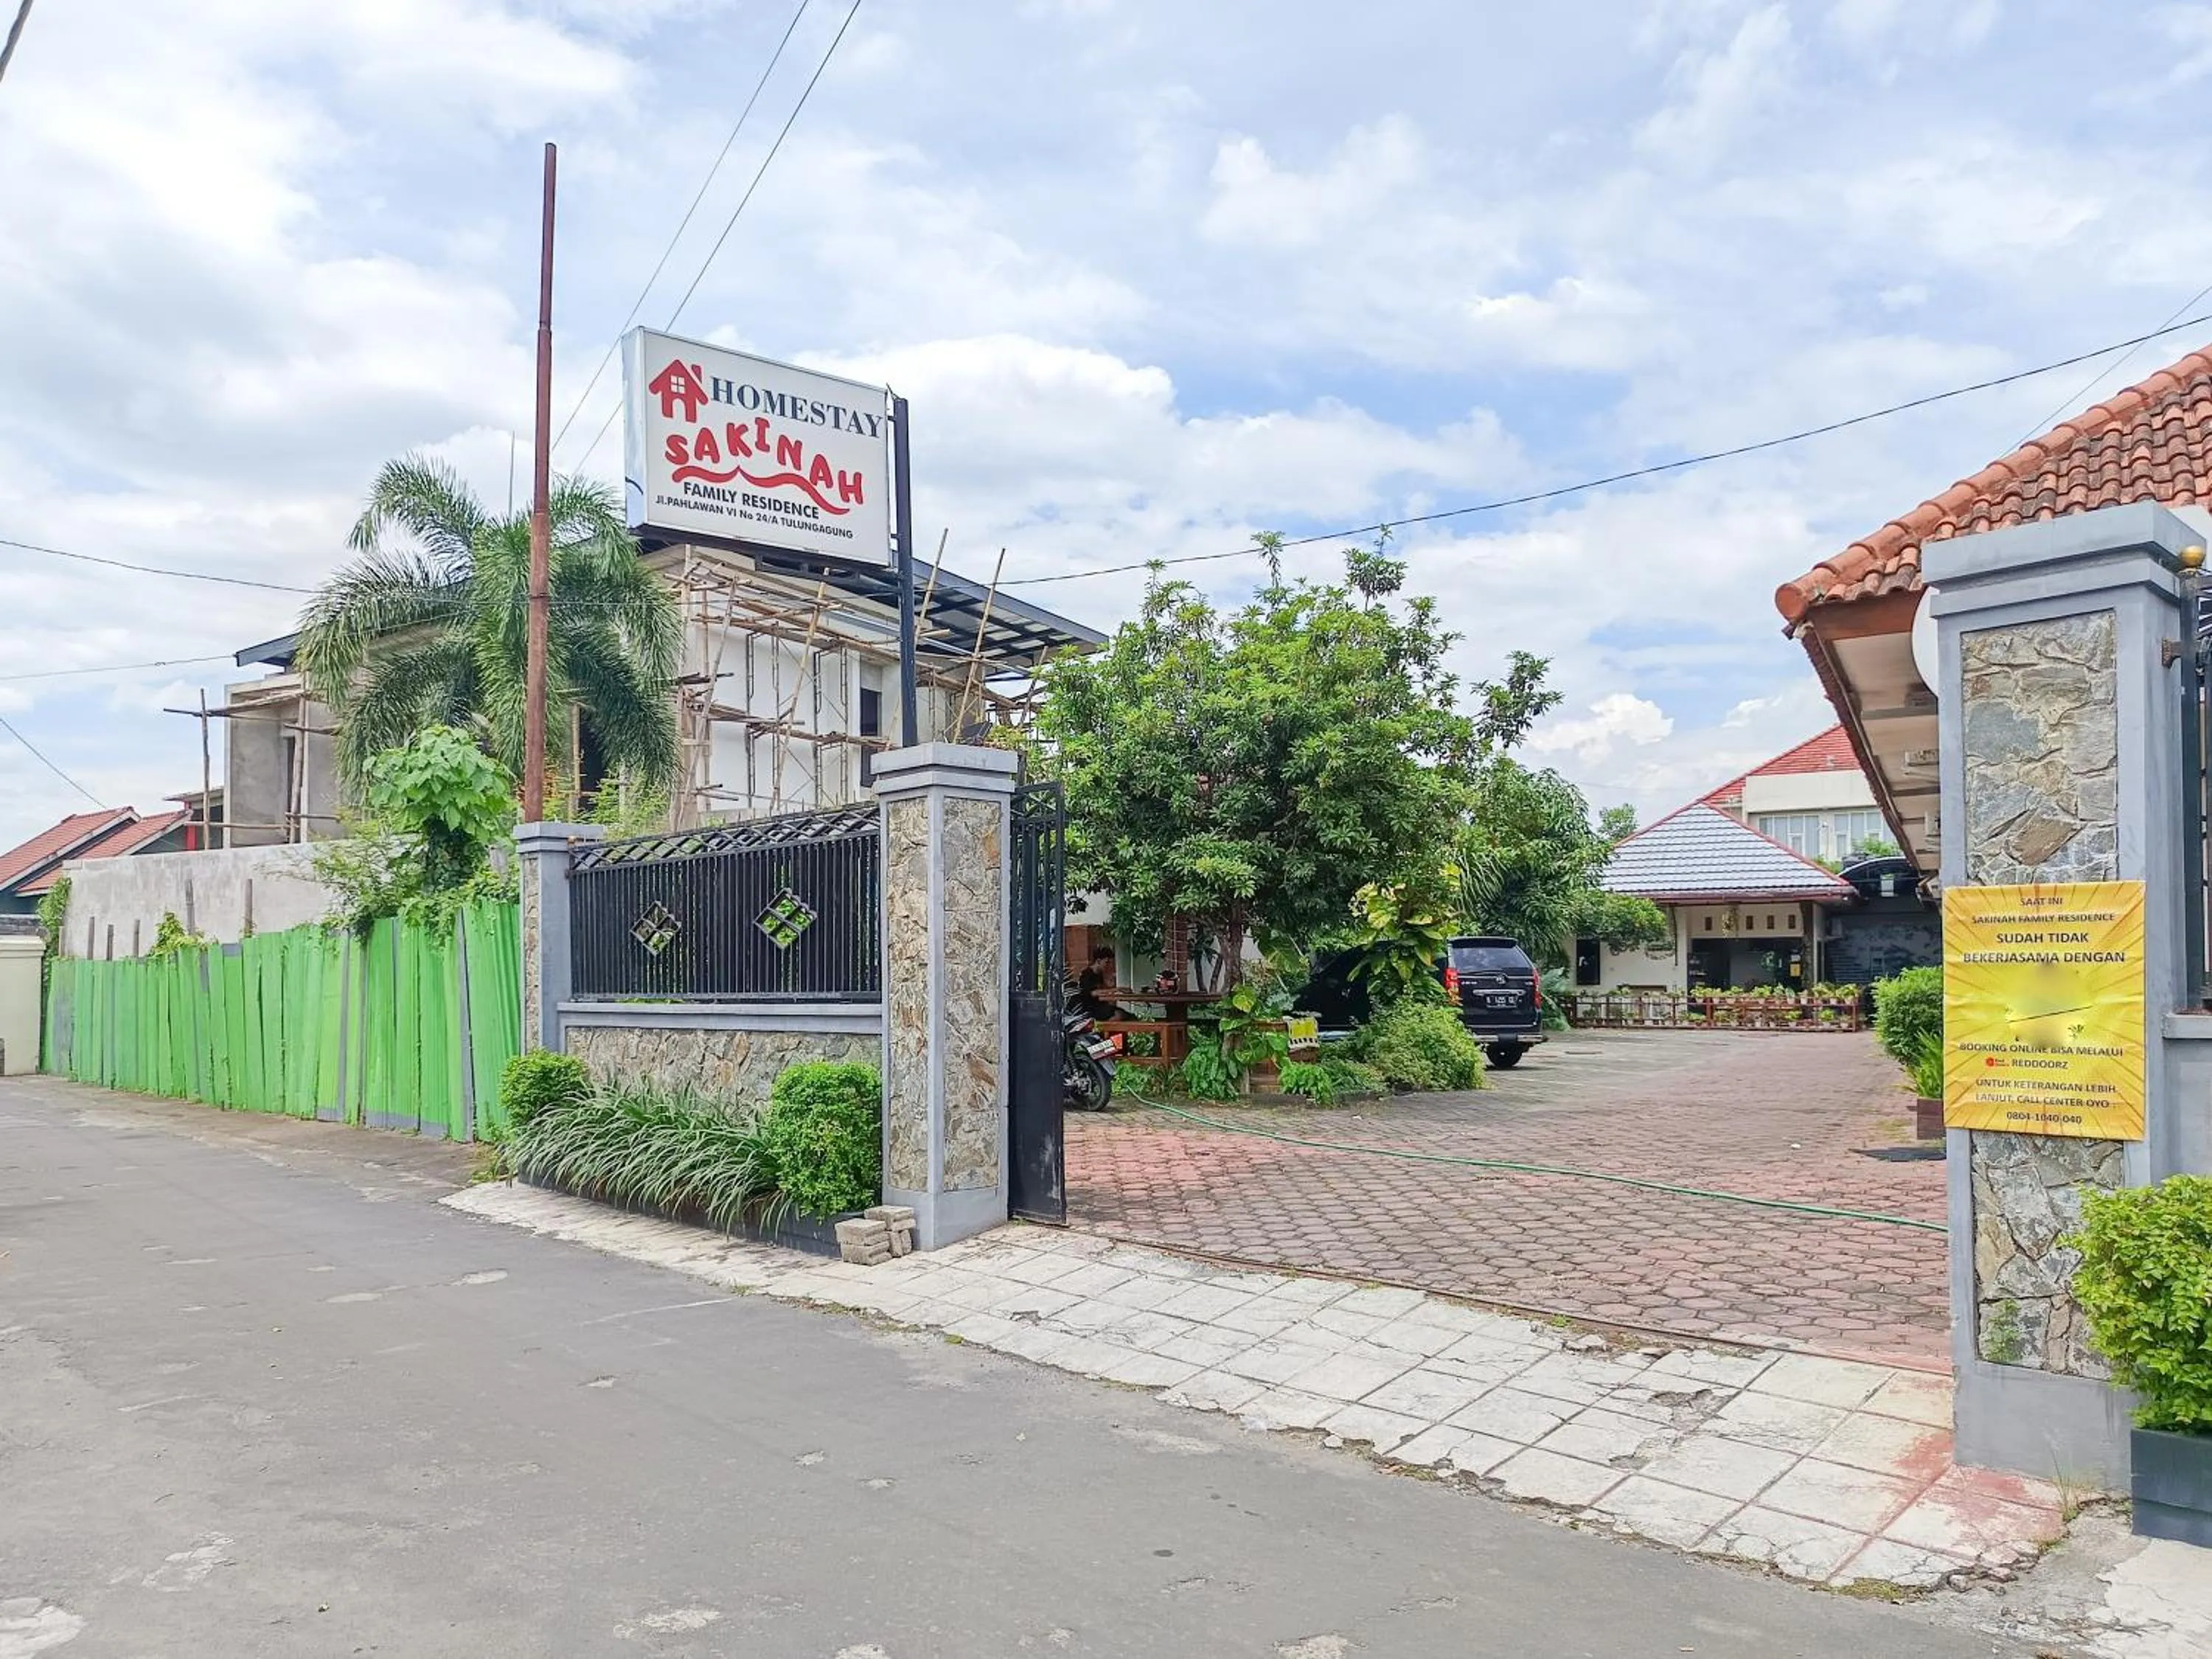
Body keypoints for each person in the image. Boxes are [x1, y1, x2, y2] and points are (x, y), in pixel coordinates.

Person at [1074, 946, 1121, 1022]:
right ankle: (1101, 1031)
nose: (1109, 966)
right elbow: (1093, 993)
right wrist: (1116, 989)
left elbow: (1104, 990)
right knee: (1118, 1015)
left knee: (1129, 1016)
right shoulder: (1087, 974)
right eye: (1107, 962)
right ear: (1098, 961)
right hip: (1089, 1009)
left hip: (1100, 1006)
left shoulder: (1100, 974)